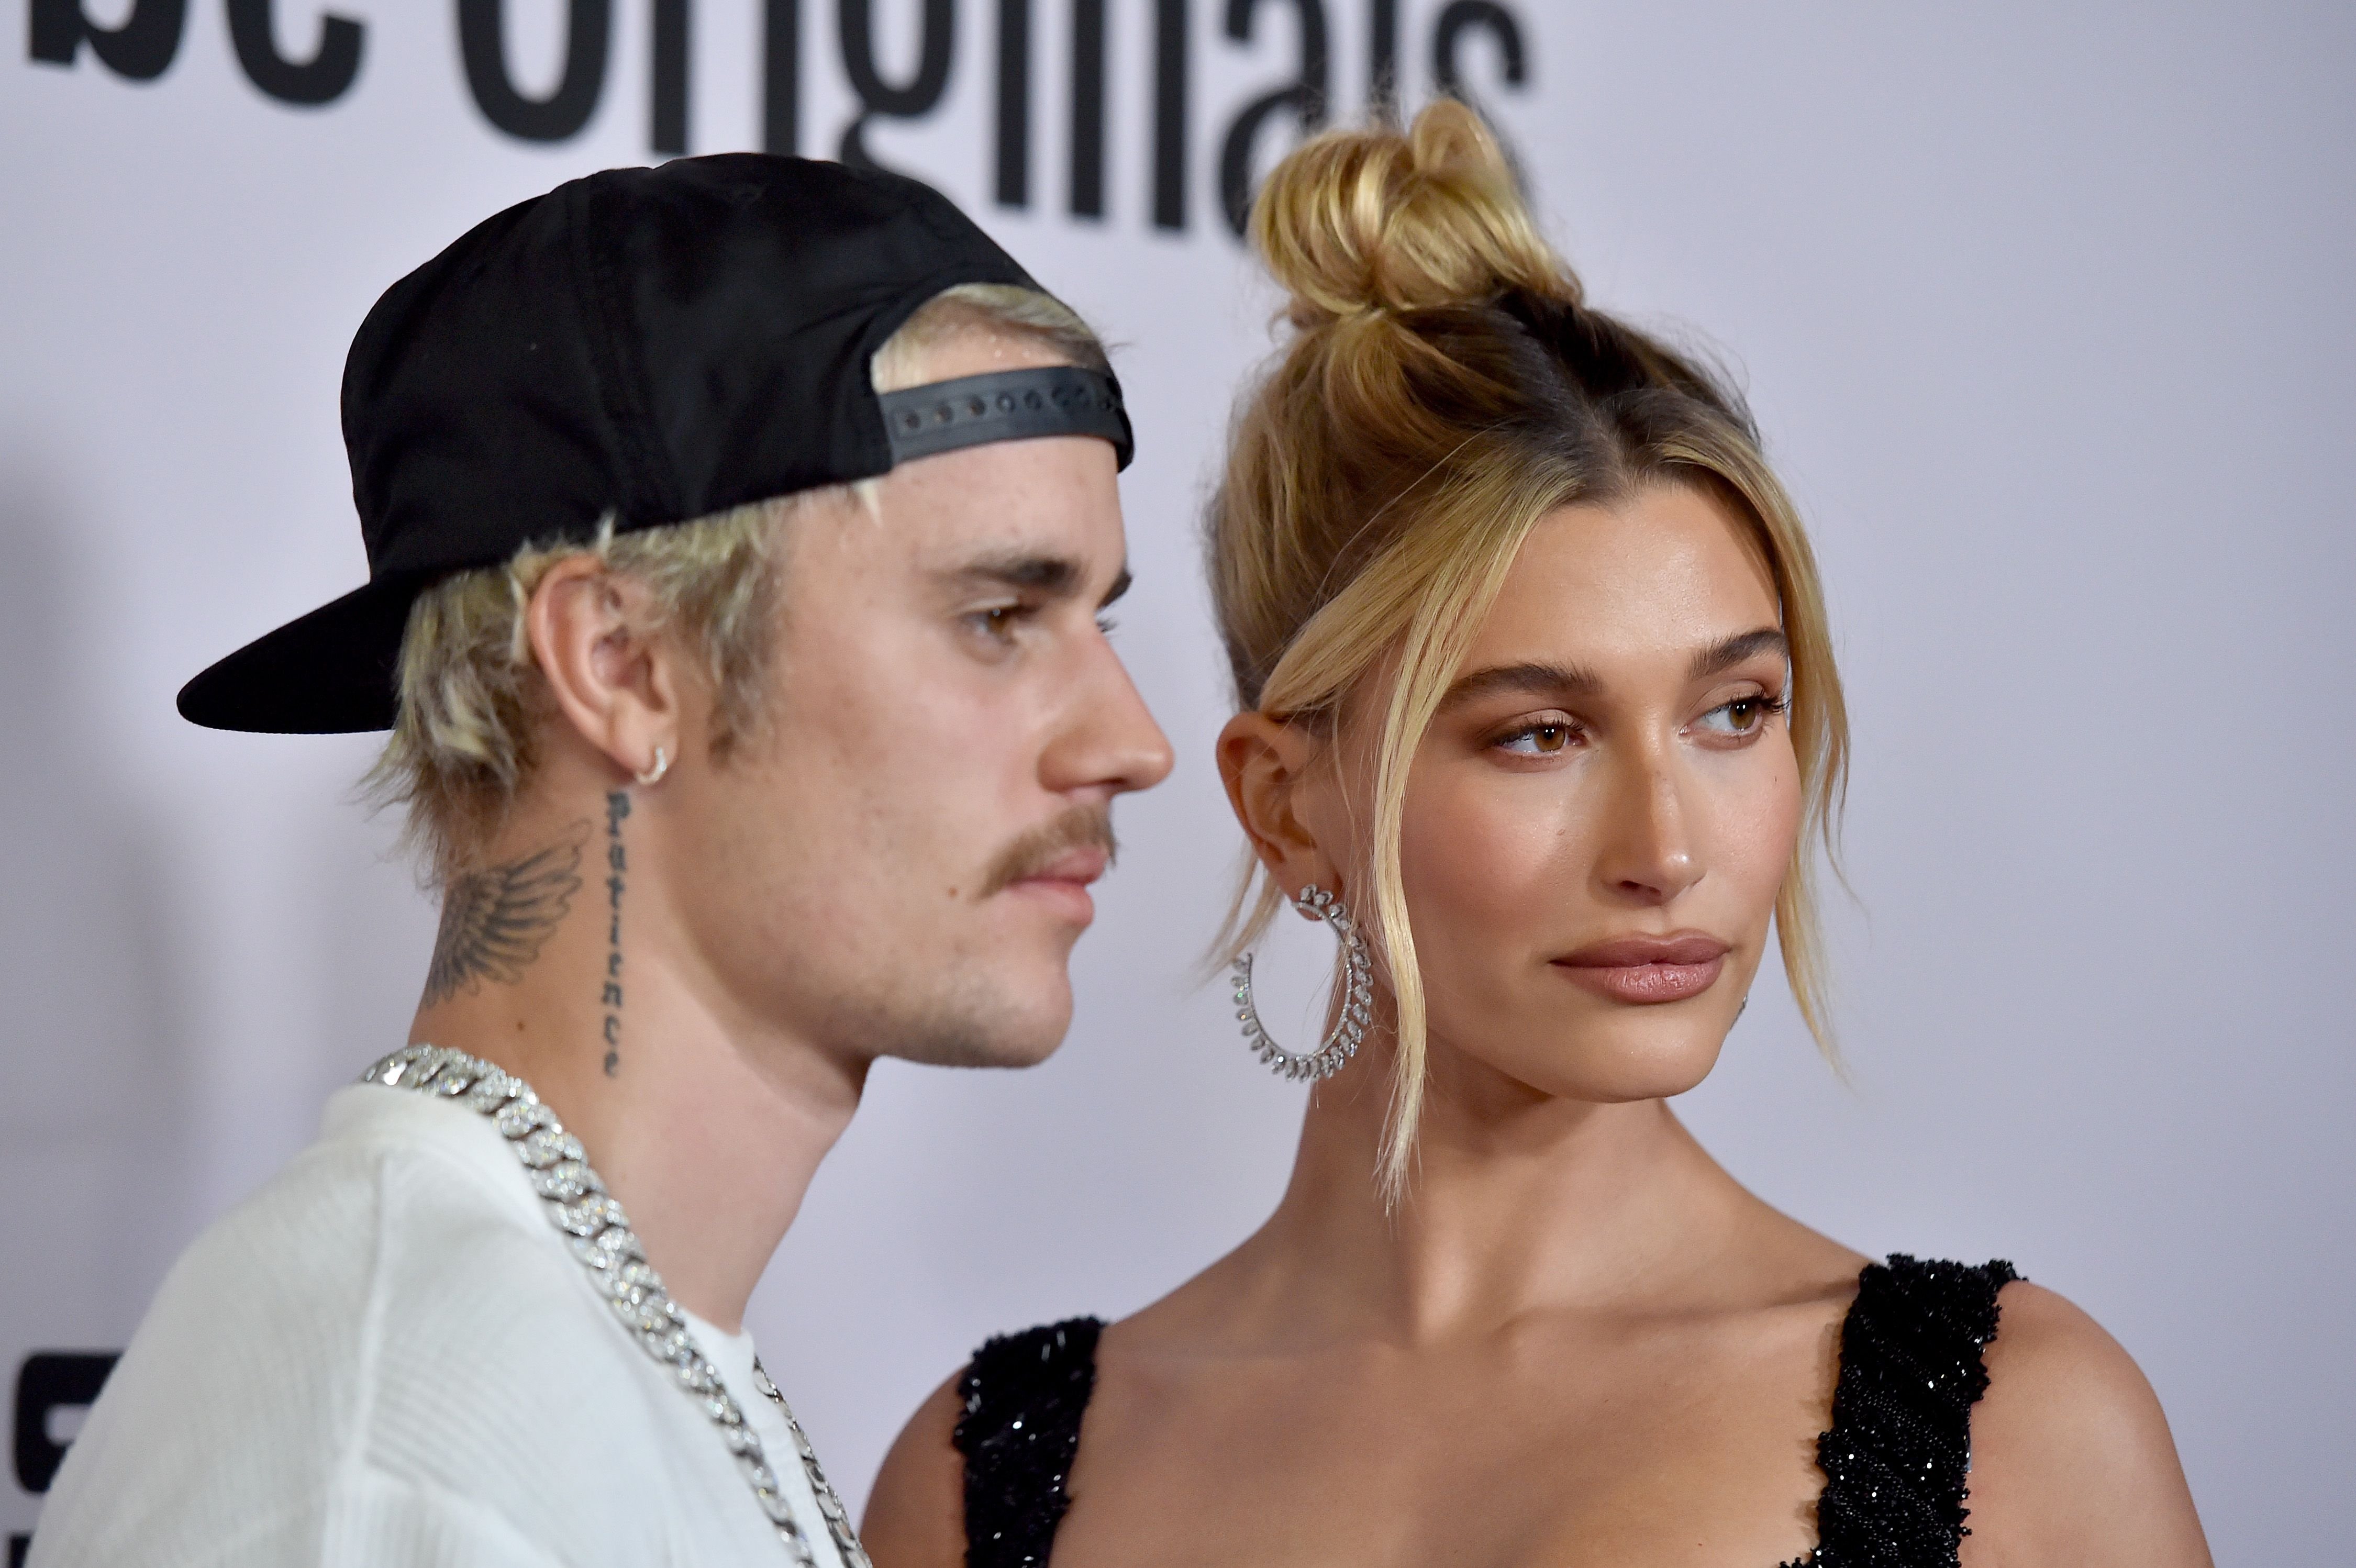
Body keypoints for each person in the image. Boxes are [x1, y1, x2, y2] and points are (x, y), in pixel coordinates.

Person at [861, 103, 2213, 1568]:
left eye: (1733, 711)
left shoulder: (2020, 1433)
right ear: (1280, 806)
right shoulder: (980, 1473)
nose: (1664, 847)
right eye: (1537, 733)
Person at [31, 154, 1171, 1567]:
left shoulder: (588, 1356)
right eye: (1000, 613)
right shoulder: (403, 1451)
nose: (1132, 742)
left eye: (1098, 623)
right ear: (624, 667)